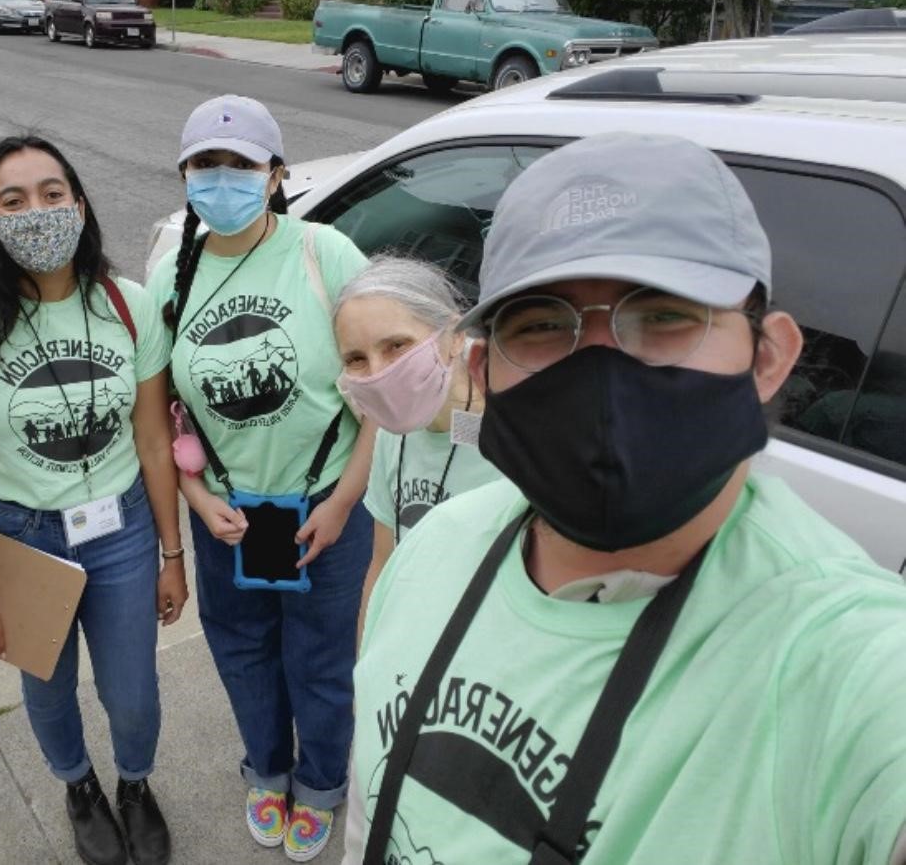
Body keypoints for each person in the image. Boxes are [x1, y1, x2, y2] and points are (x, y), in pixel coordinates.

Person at [343, 132, 906, 864]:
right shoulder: (431, 554)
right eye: (545, 324)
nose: (602, 371)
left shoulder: (848, 668)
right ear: (483, 370)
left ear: (768, 358)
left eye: (665, 315)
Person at [0, 136, 185, 865]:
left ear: (79, 204)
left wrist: (171, 552)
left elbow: (155, 443)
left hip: (121, 529)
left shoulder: (129, 305)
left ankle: (133, 784)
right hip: (19, 535)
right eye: (13, 200)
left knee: (133, 691)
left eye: (52, 193)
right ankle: (79, 787)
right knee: (49, 685)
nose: (37, 211)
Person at [146, 94, 376, 863]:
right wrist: (198, 499)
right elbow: (169, 412)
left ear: (275, 175)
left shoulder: (326, 253)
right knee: (244, 653)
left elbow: (378, 382)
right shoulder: (170, 279)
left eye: (240, 164)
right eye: (204, 165)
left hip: (324, 511)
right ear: (184, 177)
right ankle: (267, 770)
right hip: (230, 520)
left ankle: (319, 785)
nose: (222, 179)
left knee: (321, 658)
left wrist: (346, 500)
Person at [332, 257, 501, 644]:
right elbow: (383, 562)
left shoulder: (522, 439)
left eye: (396, 346)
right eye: (356, 359)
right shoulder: (393, 432)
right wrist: (367, 668)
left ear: (455, 335)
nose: (378, 372)